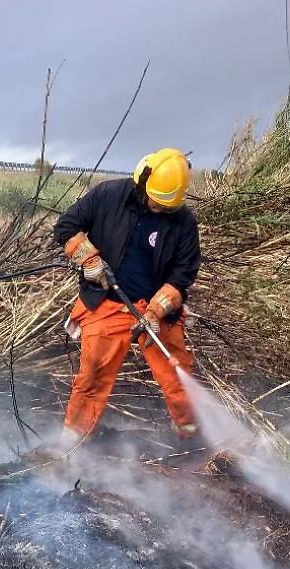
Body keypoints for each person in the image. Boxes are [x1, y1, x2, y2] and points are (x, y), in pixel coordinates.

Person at [52, 147, 201, 446]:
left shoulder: (183, 222)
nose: (160, 210)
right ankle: (72, 444)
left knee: (178, 376)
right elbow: (65, 227)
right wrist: (90, 261)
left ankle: (190, 439)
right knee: (92, 376)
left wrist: (157, 311)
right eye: (156, 204)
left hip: (157, 310)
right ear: (143, 182)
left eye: (166, 207)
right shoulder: (108, 196)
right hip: (108, 302)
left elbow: (183, 274)